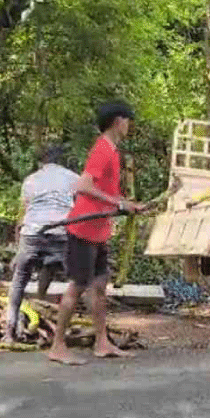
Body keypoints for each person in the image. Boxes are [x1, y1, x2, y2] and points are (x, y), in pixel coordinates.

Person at [47, 101, 143, 365]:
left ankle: (102, 342)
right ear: (117, 121)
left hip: (100, 231)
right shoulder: (102, 148)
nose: (129, 125)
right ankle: (57, 346)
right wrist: (117, 203)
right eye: (127, 120)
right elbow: (84, 186)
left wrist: (126, 204)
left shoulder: (113, 151)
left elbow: (107, 193)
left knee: (99, 287)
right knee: (77, 287)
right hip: (83, 229)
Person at [4, 144, 79, 343]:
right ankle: (66, 334)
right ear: (61, 160)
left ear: (41, 162)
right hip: (60, 231)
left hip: (32, 232)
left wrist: (17, 244)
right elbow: (80, 209)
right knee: (79, 280)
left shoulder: (31, 180)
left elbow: (23, 215)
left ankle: (9, 330)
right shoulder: (73, 178)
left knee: (19, 279)